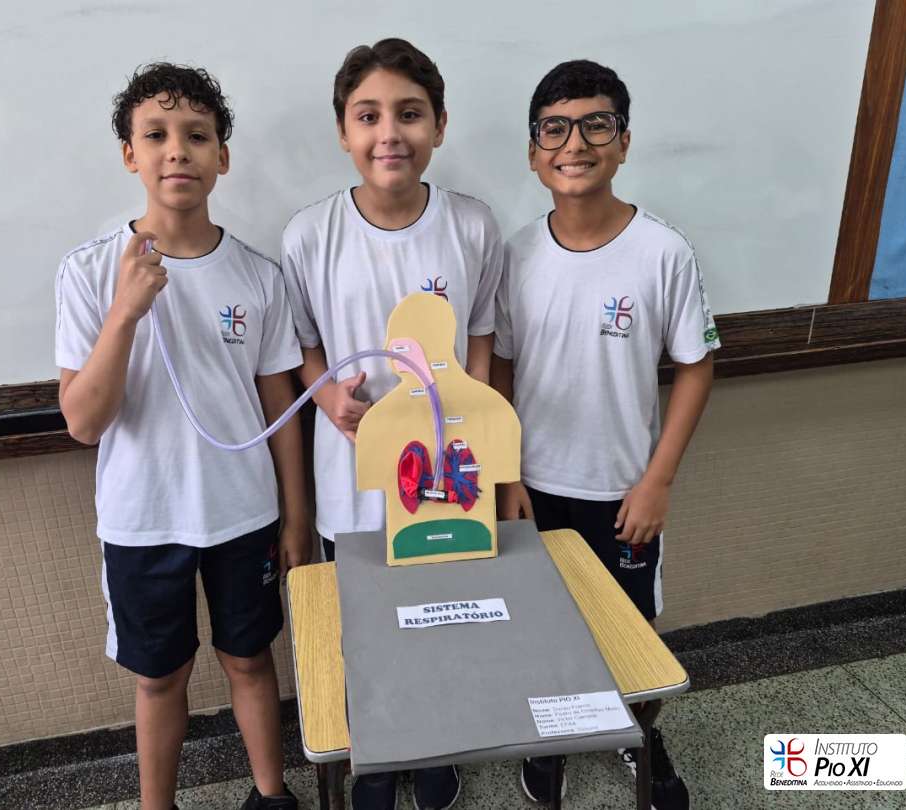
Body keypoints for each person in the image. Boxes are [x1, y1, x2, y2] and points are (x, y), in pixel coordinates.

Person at [55, 63, 309, 810]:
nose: (177, 151)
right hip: (145, 519)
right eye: (156, 135)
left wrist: (296, 518)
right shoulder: (90, 271)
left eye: (197, 136)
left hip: (243, 513)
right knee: (159, 676)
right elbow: (83, 422)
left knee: (250, 658)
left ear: (221, 157)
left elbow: (280, 408)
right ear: (129, 155)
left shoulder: (258, 275)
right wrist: (125, 312)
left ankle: (271, 794)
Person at [280, 37, 503, 810]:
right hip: (352, 478)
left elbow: (482, 337)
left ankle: (436, 744)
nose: (389, 134)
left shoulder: (473, 226)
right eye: (368, 116)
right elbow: (302, 345)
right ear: (343, 132)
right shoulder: (310, 235)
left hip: (445, 477)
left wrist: (469, 425)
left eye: (409, 114)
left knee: (440, 615)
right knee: (363, 625)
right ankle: (375, 753)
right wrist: (327, 396)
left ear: (439, 124)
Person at [492, 59, 719, 810]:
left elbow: (696, 367)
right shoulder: (515, 255)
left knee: (631, 633)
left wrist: (657, 481)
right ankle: (551, 738)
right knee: (542, 624)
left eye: (596, 125)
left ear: (623, 142)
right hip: (533, 487)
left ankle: (638, 736)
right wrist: (506, 475)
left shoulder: (662, 251)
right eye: (554, 129)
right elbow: (499, 368)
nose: (575, 144)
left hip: (623, 490)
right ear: (533, 153)